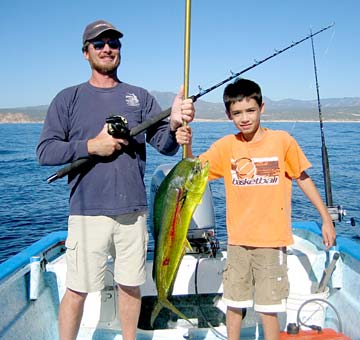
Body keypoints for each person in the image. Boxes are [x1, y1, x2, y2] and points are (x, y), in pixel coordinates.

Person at [37, 19, 194, 340]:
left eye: (113, 43)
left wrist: (176, 125)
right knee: (77, 289)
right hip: (86, 212)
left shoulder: (139, 97)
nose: (107, 48)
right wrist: (91, 146)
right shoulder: (68, 98)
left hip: (133, 212)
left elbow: (164, 145)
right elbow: (45, 151)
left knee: (131, 285)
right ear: (86, 53)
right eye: (99, 44)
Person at [176, 78, 336, 340]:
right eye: (237, 113)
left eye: (250, 110)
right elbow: (194, 168)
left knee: (269, 307)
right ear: (228, 115)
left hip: (272, 243)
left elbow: (302, 178)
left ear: (262, 107)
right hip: (238, 242)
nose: (244, 118)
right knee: (234, 303)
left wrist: (325, 218)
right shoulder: (226, 146)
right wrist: (188, 142)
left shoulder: (282, 141)